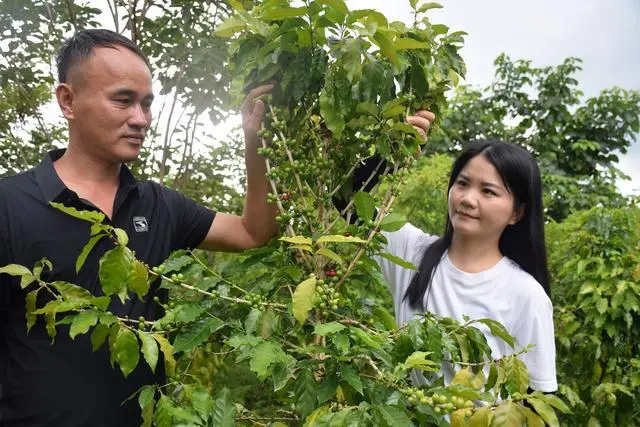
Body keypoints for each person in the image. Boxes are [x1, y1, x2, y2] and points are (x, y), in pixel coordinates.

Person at [0, 29, 281, 426]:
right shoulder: (9, 206)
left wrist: (255, 141)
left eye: (147, 104)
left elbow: (253, 232)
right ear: (68, 100)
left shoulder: (158, 204)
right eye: (123, 100)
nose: (141, 119)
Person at [376, 140, 558, 392]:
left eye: (488, 191)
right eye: (462, 183)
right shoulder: (412, 252)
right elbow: (347, 200)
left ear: (517, 213)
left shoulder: (527, 296)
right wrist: (394, 147)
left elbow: (538, 400)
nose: (468, 199)